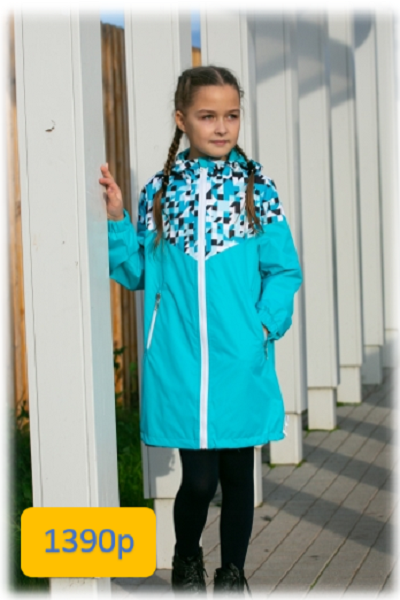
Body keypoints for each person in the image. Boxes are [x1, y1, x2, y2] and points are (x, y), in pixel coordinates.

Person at [99, 65, 302, 595]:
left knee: (238, 478)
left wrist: (263, 325)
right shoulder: (161, 192)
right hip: (180, 358)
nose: (221, 126)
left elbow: (283, 270)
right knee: (199, 479)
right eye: (207, 116)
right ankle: (187, 556)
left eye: (231, 115)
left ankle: (232, 574)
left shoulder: (257, 189)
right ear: (181, 119)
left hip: (240, 358)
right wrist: (118, 220)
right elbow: (137, 272)